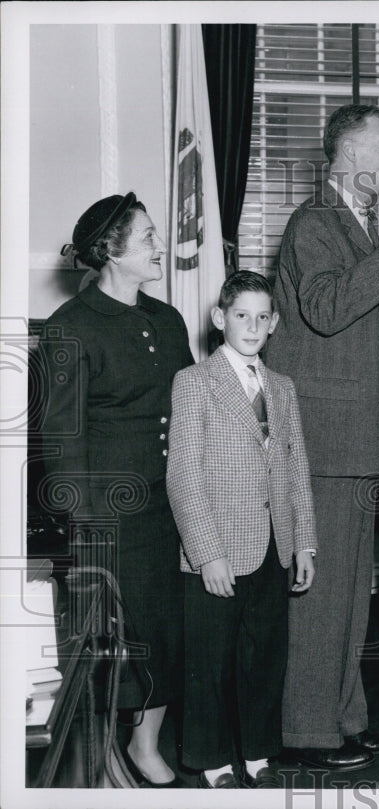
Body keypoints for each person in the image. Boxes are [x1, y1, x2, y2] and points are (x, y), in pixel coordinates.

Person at [266, 103, 379, 771]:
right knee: (323, 593)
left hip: (359, 436)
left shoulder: (355, 223)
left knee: (352, 591)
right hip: (326, 437)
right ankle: (306, 731)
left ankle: (343, 718)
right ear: (349, 153)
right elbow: (325, 311)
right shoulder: (314, 222)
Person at [40, 193, 193, 786]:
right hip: (110, 515)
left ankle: (146, 742)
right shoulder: (70, 328)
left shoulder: (168, 319)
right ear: (110, 251)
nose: (159, 245)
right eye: (149, 236)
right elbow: (60, 439)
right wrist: (85, 528)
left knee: (171, 632)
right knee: (119, 642)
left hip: (173, 505)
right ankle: (103, 757)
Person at [166, 271, 316, 789]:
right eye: (240, 315)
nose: (251, 326)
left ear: (274, 323)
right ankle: (212, 762)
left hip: (273, 545)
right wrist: (206, 553)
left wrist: (305, 544)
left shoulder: (282, 386)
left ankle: (257, 756)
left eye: (261, 317)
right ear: (218, 318)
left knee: (264, 657)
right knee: (209, 661)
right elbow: (182, 474)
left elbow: (296, 470)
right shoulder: (194, 382)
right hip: (218, 548)